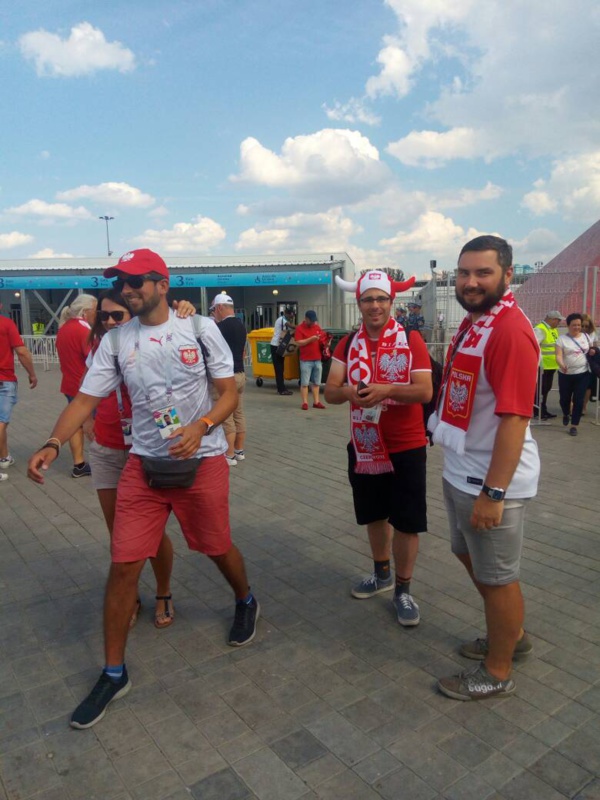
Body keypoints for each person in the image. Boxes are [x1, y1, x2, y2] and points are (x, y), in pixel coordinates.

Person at [28, 248, 259, 729]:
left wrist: (203, 426)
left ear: (161, 283)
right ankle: (114, 673)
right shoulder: (116, 342)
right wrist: (52, 442)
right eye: (121, 282)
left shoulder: (198, 329)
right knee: (123, 565)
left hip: (203, 462)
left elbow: (229, 391)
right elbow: (87, 398)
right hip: (144, 467)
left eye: (136, 281)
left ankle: (245, 600)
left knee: (216, 547)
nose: (127, 289)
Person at [429, 235, 540, 701]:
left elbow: (515, 417)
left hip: (490, 479)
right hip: (462, 466)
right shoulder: (476, 323)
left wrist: (494, 494)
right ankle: (509, 635)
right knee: (466, 554)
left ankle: (497, 671)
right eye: (464, 273)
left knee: (497, 578)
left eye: (483, 273)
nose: (471, 282)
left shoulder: (510, 330)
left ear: (508, 276)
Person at [325, 271, 432, 626]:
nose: (375, 305)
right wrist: (349, 394)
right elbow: (330, 391)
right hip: (365, 444)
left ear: (391, 303)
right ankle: (382, 574)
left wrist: (387, 390)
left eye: (381, 299)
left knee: (406, 521)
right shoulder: (347, 344)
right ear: (359, 304)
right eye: (368, 299)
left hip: (406, 445)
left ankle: (403, 589)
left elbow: (424, 392)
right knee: (374, 515)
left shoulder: (411, 338)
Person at [84, 289, 194, 628]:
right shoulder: (103, 346)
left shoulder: (154, 344)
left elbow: (167, 396)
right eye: (104, 316)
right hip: (106, 447)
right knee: (119, 534)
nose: (111, 322)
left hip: (144, 449)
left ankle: (163, 590)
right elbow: (84, 392)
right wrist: (84, 423)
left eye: (118, 315)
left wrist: (173, 439)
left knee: (151, 531)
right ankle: (129, 595)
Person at [56, 294, 97, 477]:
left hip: (69, 383)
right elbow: (95, 358)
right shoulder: (84, 330)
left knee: (76, 425)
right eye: (96, 310)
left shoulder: (63, 329)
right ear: (86, 311)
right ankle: (102, 461)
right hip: (86, 387)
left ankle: (78, 463)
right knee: (94, 424)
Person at [0, 303, 37, 480]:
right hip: (4, 379)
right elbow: (22, 352)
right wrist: (32, 374)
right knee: (1, 422)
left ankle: (4, 456)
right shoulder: (6, 324)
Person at [210, 294, 248, 465]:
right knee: (238, 413)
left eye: (214, 310)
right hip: (240, 373)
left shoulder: (219, 328)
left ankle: (229, 454)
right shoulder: (241, 325)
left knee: (226, 416)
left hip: (226, 376)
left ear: (219, 308)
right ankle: (239, 450)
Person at [555, 312, 595, 436]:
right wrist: (562, 364)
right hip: (565, 374)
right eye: (574, 325)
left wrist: (593, 352)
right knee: (564, 399)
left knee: (578, 400)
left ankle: (574, 425)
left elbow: (591, 351)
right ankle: (566, 413)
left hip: (582, 374)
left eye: (579, 325)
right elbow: (558, 355)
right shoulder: (562, 339)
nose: (577, 327)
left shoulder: (586, 337)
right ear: (568, 325)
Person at [295, 310, 327, 410]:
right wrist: (311, 339)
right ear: (306, 319)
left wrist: (326, 343)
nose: (313, 323)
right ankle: (305, 402)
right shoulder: (300, 329)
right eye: (311, 321)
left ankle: (316, 401)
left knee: (317, 382)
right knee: (305, 383)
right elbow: (298, 342)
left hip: (317, 359)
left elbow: (322, 339)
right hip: (306, 360)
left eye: (314, 321)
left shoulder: (317, 327)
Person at [533, 311, 562, 419]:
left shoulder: (552, 329)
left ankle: (542, 409)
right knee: (542, 389)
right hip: (543, 365)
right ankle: (538, 410)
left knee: (546, 388)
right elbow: (535, 345)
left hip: (551, 365)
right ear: (552, 319)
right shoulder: (540, 329)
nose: (559, 322)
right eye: (558, 320)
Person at [270, 306, 295, 395]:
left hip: (280, 346)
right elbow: (292, 326)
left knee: (281, 368)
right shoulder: (282, 320)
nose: (291, 318)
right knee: (279, 368)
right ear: (286, 313)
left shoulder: (283, 320)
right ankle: (281, 389)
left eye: (292, 317)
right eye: (290, 316)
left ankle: (282, 388)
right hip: (276, 346)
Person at [581, 314, 598, 412]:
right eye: (582, 326)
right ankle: (575, 404)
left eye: (586, 326)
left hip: (590, 364)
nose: (584, 328)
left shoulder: (592, 335)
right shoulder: (573, 334)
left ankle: (584, 405)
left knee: (588, 387)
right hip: (577, 363)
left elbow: (596, 347)